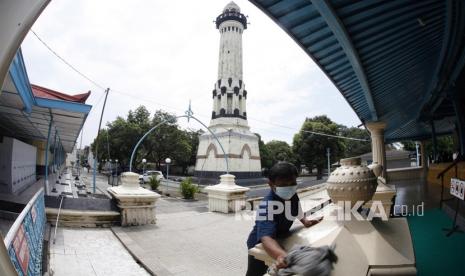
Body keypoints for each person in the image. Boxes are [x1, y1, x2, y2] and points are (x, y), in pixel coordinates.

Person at [246, 162, 323, 276]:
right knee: (255, 273)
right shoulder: (266, 205)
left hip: (281, 238)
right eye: (283, 184)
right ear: (271, 184)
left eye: (293, 183)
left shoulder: (292, 195)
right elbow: (266, 238)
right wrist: (280, 255)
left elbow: (296, 207)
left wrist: (304, 221)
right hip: (260, 244)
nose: (289, 187)